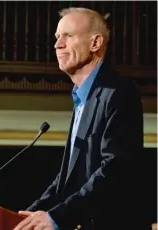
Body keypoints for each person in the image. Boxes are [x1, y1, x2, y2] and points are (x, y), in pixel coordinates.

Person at [14, 7, 150, 230]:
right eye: (57, 37)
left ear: (95, 43)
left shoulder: (117, 93)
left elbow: (116, 169)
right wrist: (32, 214)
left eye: (68, 36)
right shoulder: (82, 97)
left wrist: (58, 217)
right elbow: (68, 177)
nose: (58, 44)